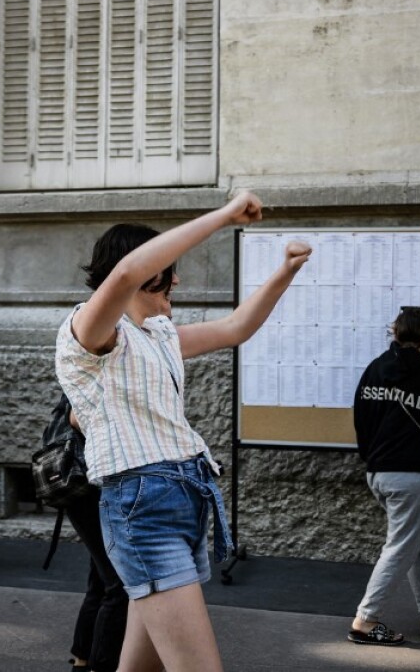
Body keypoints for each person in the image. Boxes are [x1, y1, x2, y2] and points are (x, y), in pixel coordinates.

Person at [56, 192, 311, 672]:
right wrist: (223, 216)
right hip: (143, 506)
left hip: (184, 498)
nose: (176, 280)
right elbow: (126, 274)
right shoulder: (89, 330)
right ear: (143, 271)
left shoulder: (158, 335)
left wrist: (285, 272)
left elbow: (235, 327)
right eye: (168, 269)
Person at [348, 307, 420, 645]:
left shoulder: (375, 368)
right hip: (410, 475)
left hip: (379, 471)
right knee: (400, 547)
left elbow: (361, 417)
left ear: (395, 332)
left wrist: (372, 457)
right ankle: (365, 620)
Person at [57, 394, 128, 672]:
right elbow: (76, 418)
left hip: (94, 486)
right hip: (87, 489)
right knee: (119, 585)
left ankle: (82, 659)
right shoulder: (91, 373)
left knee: (101, 581)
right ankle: (101, 664)